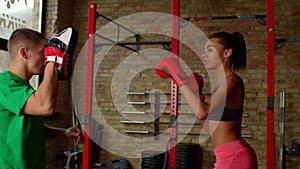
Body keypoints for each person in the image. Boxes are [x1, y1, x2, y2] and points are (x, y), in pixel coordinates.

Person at [156, 31, 258, 169]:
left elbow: (202, 112)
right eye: (204, 50)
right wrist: (198, 95)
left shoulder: (232, 81)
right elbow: (208, 126)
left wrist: (177, 75)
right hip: (225, 155)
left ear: (227, 53)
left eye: (210, 50)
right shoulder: (220, 84)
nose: (204, 54)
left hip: (234, 156)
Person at [0, 28, 84, 169]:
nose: (46, 57)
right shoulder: (5, 86)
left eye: (48, 53)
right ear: (24, 53)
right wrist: (53, 60)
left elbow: (32, 129)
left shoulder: (24, 89)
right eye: (42, 52)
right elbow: (45, 106)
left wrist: (64, 132)